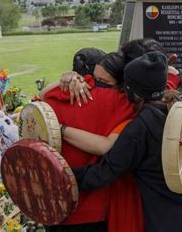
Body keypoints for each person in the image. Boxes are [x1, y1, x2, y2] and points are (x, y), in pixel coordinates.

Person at [71, 52, 182, 232]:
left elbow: (104, 172)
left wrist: (62, 175)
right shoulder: (181, 100)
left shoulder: (139, 129)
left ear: (132, 92)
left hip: (167, 221)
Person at [43, 50, 138, 232]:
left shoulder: (64, 91)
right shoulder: (124, 104)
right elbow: (105, 147)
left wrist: (69, 80)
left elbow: (41, 98)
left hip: (52, 199)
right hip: (91, 207)